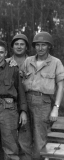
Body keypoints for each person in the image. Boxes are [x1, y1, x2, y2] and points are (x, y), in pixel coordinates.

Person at [21, 32, 64, 160]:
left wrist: (56, 108)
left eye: (43, 45)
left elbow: (61, 86)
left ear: (49, 46)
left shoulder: (56, 62)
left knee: (40, 138)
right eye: (37, 45)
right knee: (24, 137)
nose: (40, 48)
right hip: (26, 100)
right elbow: (20, 78)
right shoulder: (28, 61)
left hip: (43, 103)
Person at [6, 34, 32, 160]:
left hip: (29, 101)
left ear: (26, 47)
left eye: (22, 44)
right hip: (10, 102)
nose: (19, 46)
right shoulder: (5, 62)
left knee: (26, 136)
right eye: (16, 44)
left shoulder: (33, 61)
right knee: (10, 135)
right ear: (12, 47)